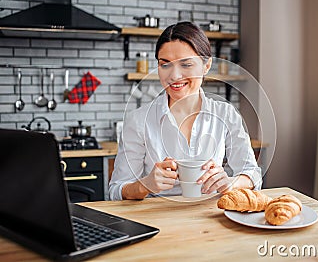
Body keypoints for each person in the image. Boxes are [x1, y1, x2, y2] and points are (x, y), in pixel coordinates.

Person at [109, 22, 261, 200]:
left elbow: (252, 173)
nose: (174, 76)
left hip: (211, 218)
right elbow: (116, 190)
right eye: (165, 65)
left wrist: (231, 182)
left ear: (206, 65)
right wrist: (145, 185)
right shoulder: (138, 120)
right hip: (158, 221)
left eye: (186, 65)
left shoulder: (225, 114)